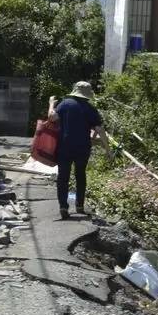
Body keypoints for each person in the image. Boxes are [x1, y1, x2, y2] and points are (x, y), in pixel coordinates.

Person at [48, 81, 110, 220]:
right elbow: (99, 130)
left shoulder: (65, 104)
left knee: (63, 177)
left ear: (75, 90)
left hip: (64, 146)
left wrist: (51, 103)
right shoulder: (90, 108)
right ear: (87, 95)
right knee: (80, 175)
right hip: (83, 148)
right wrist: (108, 149)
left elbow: (52, 117)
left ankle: (63, 207)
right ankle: (80, 206)